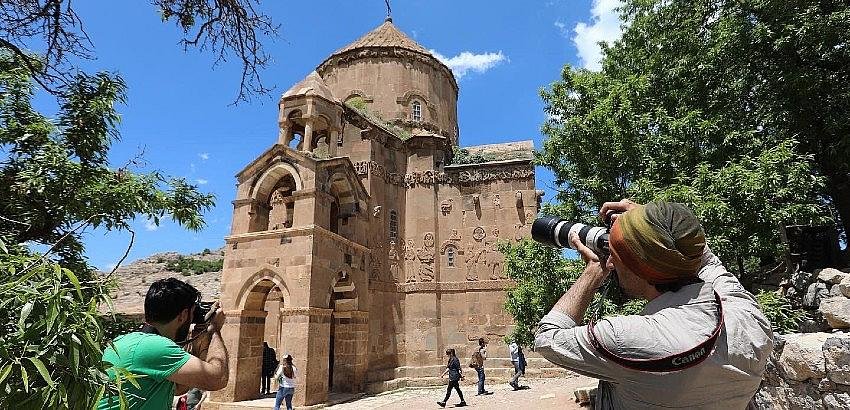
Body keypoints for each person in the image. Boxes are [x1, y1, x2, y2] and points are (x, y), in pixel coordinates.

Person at [534, 200, 774, 409]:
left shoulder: (625, 338)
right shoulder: (747, 315)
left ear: (638, 268)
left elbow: (547, 338)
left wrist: (592, 273)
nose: (611, 264)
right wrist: (659, 221)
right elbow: (707, 262)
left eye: (615, 256)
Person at [98, 278, 229, 409]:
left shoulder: (128, 341)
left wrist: (200, 339)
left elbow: (179, 388)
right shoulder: (153, 347)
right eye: (192, 312)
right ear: (183, 315)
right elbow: (218, 379)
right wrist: (214, 329)